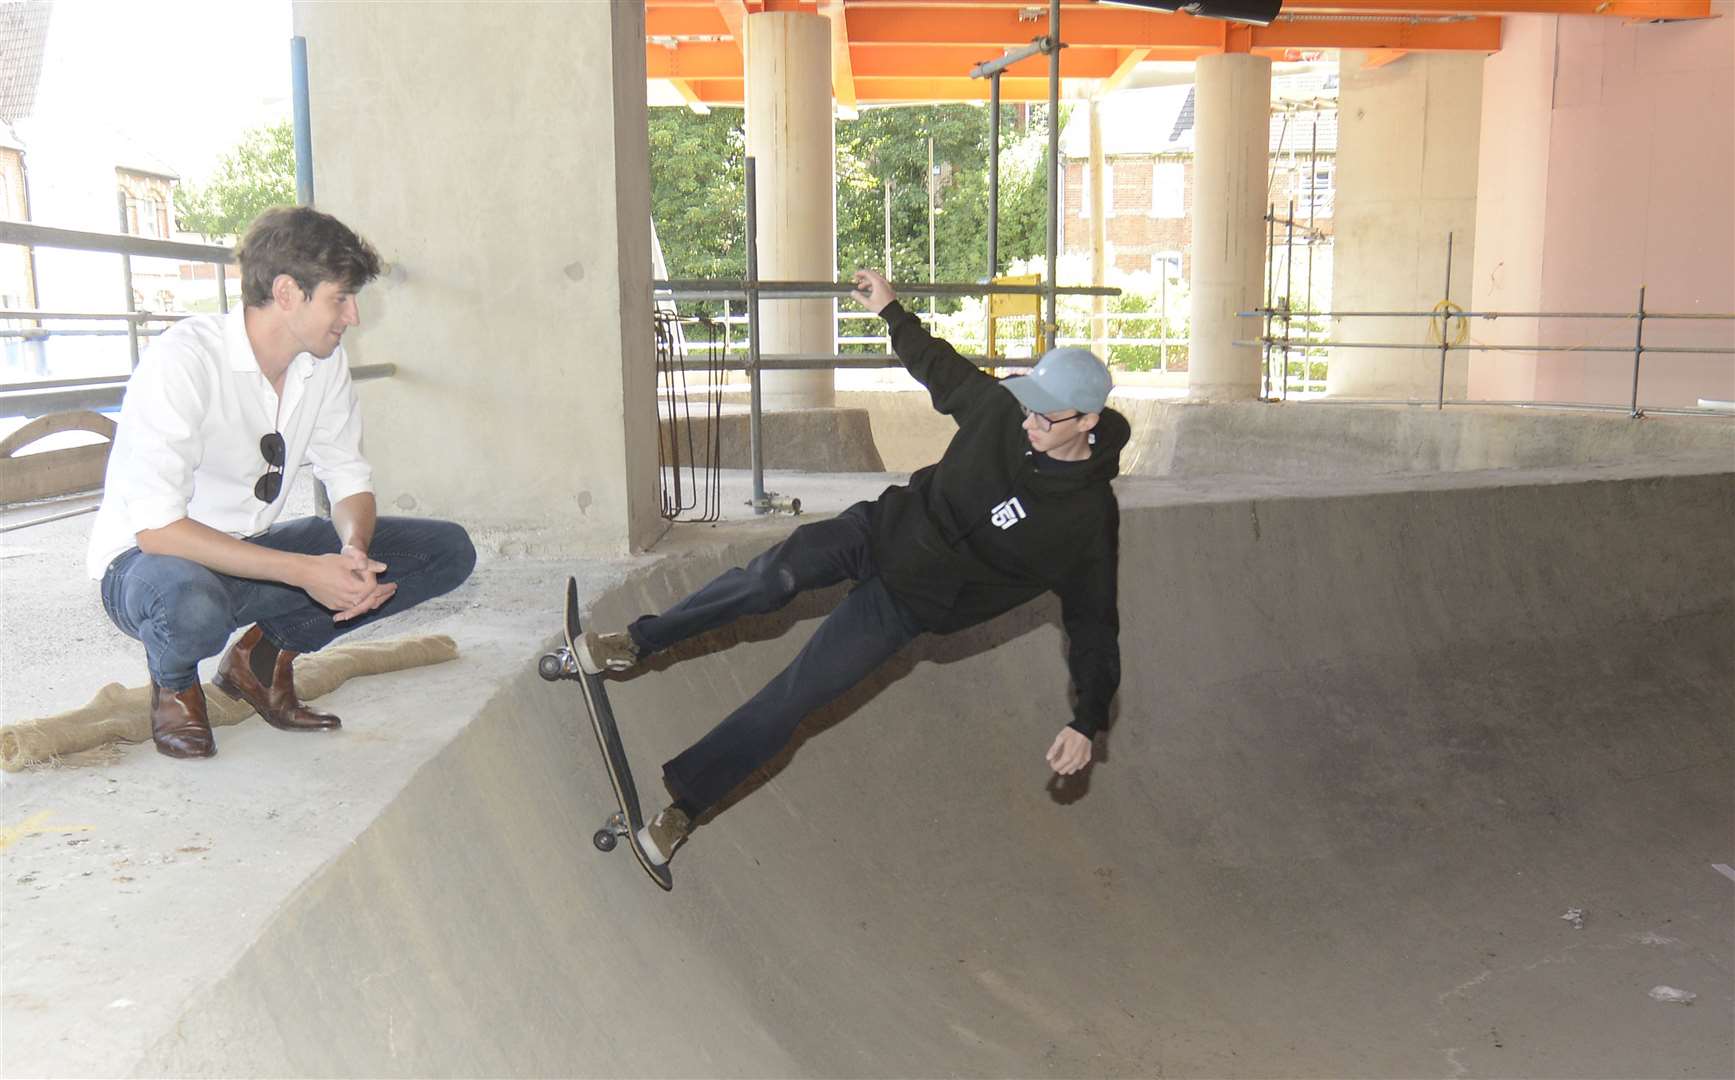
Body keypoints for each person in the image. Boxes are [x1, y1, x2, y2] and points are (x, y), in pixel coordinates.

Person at [579, 268, 1127, 864]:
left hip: (910, 604)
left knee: (796, 695)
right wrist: (891, 309)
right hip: (880, 530)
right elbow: (940, 369)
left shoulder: (1086, 523)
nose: (1028, 422)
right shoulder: (1002, 410)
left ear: (1088, 422)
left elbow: (1096, 625)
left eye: (1046, 418)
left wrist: (1087, 718)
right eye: (1028, 407)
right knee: (771, 578)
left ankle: (683, 810)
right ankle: (636, 643)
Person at [87, 206, 476, 759]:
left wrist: (352, 552)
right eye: (340, 298)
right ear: (288, 292)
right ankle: (175, 683)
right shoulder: (183, 362)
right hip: (150, 567)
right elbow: (158, 530)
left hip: (249, 554)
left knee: (444, 551)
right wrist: (303, 572)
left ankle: (261, 659)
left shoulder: (323, 362)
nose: (353, 316)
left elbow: (348, 477)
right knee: (192, 605)